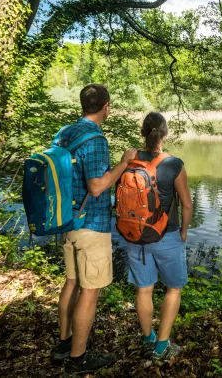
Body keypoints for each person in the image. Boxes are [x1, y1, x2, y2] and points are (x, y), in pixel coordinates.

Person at [53, 84, 137, 375]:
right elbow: (98, 186)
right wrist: (123, 164)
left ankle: (63, 344)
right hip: (91, 225)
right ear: (106, 107)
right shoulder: (96, 139)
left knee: (71, 282)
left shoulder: (66, 132)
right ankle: (78, 359)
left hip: (67, 222)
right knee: (90, 290)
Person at [126, 112, 193, 360]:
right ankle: (162, 346)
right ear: (165, 133)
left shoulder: (130, 161)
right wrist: (184, 231)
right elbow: (186, 205)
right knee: (174, 288)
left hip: (135, 235)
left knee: (144, 290)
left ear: (143, 133)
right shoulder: (174, 164)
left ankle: (148, 338)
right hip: (166, 235)